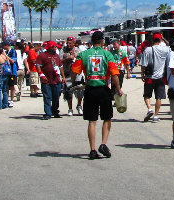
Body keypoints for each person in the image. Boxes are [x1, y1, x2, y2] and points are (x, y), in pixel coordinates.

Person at [70, 31, 122, 160]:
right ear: (102, 41)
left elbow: (74, 71)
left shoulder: (83, 54)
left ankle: (92, 149)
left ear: (92, 41)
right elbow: (114, 74)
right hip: (103, 88)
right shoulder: (107, 54)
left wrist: (73, 84)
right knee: (107, 118)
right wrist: (118, 89)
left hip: (90, 88)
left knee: (92, 121)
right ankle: (103, 144)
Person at [139, 33, 169, 122]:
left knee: (146, 95)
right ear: (160, 40)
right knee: (158, 97)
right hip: (160, 78)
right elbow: (169, 45)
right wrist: (164, 38)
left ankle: (149, 109)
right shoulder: (165, 49)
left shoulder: (148, 49)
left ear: (152, 40)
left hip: (149, 77)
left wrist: (142, 74)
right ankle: (156, 115)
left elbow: (143, 64)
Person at [36, 41, 64, 120]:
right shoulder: (42, 55)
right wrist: (41, 75)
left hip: (56, 80)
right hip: (47, 81)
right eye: (54, 47)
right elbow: (38, 66)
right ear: (50, 47)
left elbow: (60, 67)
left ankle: (55, 111)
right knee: (47, 97)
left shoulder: (57, 56)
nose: (56, 48)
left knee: (56, 96)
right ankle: (48, 113)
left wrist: (63, 77)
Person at [61, 36, 83, 115]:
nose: (68, 45)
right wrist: (67, 58)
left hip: (77, 73)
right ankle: (70, 109)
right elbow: (60, 61)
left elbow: (82, 60)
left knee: (80, 90)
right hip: (68, 73)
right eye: (67, 43)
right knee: (68, 91)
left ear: (74, 43)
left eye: (70, 43)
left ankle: (79, 106)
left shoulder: (78, 51)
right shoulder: (63, 50)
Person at [0, 42, 13, 110]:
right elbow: (9, 64)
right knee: (5, 90)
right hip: (6, 74)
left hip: (0, 75)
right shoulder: (5, 57)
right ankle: (5, 105)